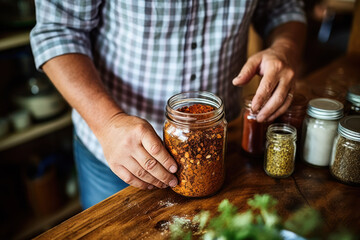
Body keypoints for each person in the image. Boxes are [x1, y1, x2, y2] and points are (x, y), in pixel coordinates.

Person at [30, 0, 306, 209]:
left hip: (222, 141)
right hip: (117, 150)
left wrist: (285, 49)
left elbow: (283, 8)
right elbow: (57, 29)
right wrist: (108, 122)